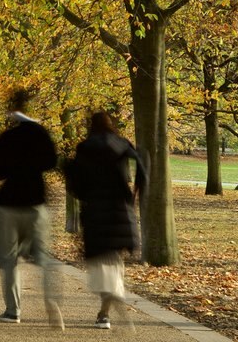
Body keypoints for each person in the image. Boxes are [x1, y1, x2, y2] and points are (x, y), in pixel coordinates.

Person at [0, 87, 63, 329]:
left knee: (8, 260)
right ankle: (52, 301)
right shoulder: (41, 133)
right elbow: (51, 162)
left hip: (9, 203)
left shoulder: (6, 137)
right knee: (43, 257)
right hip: (35, 200)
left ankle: (13, 311)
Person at [65, 111, 146, 330]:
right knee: (115, 259)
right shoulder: (121, 143)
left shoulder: (85, 148)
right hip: (120, 209)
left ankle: (105, 310)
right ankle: (107, 308)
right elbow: (141, 163)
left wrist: (80, 192)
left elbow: (76, 181)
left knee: (99, 262)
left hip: (95, 210)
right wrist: (136, 192)